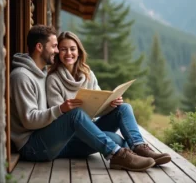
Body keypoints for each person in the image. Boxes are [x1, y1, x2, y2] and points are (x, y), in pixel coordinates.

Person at [45, 31, 171, 170]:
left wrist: (111, 104)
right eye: (63, 49)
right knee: (117, 140)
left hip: (91, 127)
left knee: (124, 108)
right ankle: (124, 156)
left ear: (79, 51)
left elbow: (98, 107)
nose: (68, 53)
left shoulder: (88, 74)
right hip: (69, 138)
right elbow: (58, 118)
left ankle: (139, 147)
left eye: (72, 49)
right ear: (58, 53)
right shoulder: (53, 79)